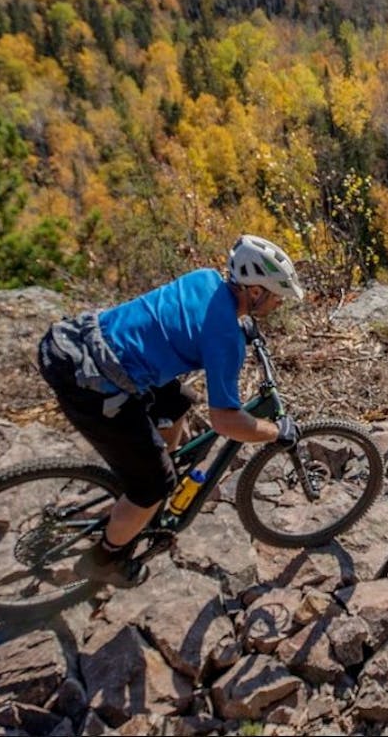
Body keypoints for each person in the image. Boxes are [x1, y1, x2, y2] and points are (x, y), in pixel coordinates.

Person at [36, 234, 304, 587]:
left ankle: (157, 464)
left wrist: (241, 324)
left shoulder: (205, 279)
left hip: (78, 341)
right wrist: (275, 432)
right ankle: (106, 559)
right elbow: (225, 421)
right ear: (254, 292)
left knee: (180, 400)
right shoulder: (225, 337)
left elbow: (197, 319)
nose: (277, 305)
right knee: (153, 486)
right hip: (90, 382)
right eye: (275, 296)